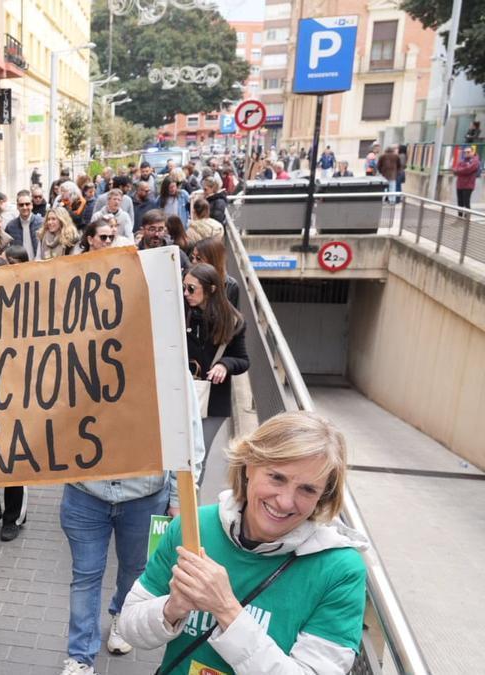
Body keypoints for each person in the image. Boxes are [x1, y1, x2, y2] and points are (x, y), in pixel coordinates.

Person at [118, 411, 368, 675]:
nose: (284, 501)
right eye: (277, 477)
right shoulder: (194, 528)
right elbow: (129, 628)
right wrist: (172, 608)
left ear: (322, 496)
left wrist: (226, 609)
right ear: (249, 465)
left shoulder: (340, 570)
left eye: (307, 489)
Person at [58, 464, 178, 674]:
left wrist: (179, 498)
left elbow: (185, 437)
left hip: (144, 496)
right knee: (85, 576)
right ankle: (80, 657)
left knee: (133, 569)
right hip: (85, 490)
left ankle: (123, 615)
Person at [183, 263, 249, 418]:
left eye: (191, 288)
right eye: (183, 287)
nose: (185, 293)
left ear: (211, 289)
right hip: (180, 394)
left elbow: (243, 360)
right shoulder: (181, 312)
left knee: (205, 442)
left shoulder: (232, 321)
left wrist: (225, 365)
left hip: (213, 401)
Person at [189, 236, 239, 307]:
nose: (193, 261)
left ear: (212, 259)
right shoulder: (189, 279)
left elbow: (229, 315)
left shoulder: (230, 285)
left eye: (198, 258)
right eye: (192, 257)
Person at [5, 189, 43, 259]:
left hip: (38, 264)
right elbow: (6, 247)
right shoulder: (11, 226)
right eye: (21, 205)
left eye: (27, 204)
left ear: (32, 205)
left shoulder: (41, 223)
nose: (24, 207)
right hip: (19, 266)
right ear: (17, 206)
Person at [453, 146, 480, 216]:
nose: (466, 153)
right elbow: (455, 169)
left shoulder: (475, 161)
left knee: (466, 202)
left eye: (468, 152)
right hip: (460, 184)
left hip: (468, 185)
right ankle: (459, 217)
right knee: (460, 202)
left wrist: (460, 170)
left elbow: (468, 169)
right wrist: (461, 170)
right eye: (465, 152)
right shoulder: (462, 160)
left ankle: (466, 218)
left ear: (472, 152)